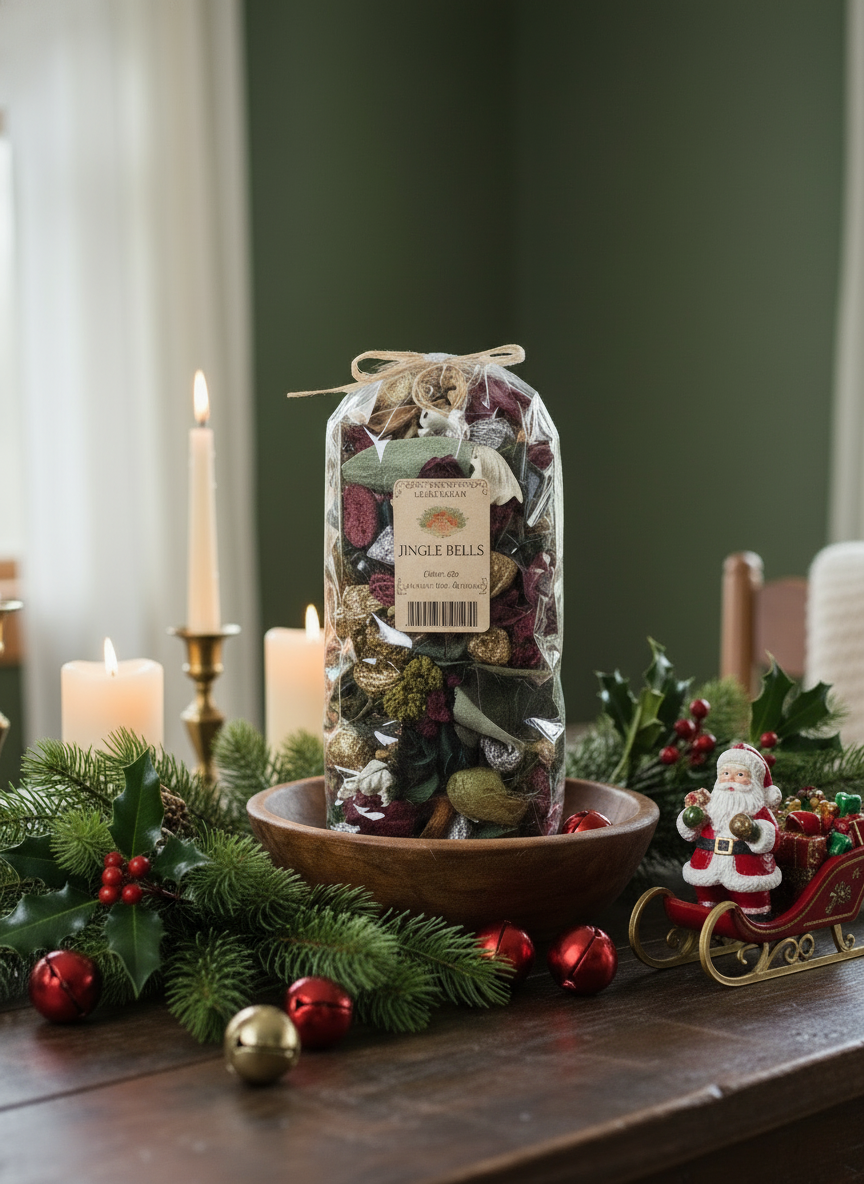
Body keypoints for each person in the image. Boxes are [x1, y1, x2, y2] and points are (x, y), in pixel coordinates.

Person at [677, 742, 781, 917]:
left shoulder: (759, 811)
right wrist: (690, 819)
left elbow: (773, 838)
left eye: (740, 774)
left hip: (747, 868)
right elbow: (691, 833)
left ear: (754, 781)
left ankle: (754, 921)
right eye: (725, 774)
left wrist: (754, 831)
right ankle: (709, 920)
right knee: (707, 899)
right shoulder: (709, 806)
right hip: (706, 865)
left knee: (750, 901)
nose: (731, 780)